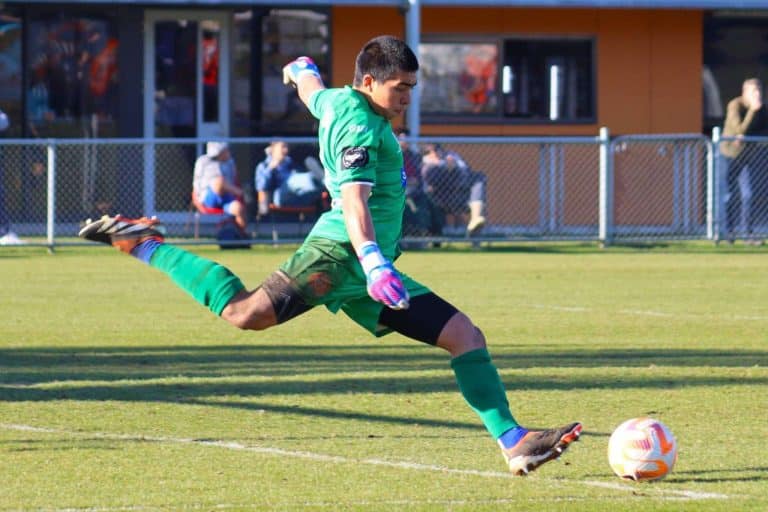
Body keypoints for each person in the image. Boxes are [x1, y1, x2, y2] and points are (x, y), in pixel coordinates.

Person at [79, 35, 581, 476]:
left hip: (365, 268)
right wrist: (374, 262)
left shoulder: (340, 100)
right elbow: (354, 201)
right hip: (340, 255)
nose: (406, 98)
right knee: (244, 314)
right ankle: (142, 242)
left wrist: (301, 70)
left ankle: (513, 440)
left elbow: (313, 93)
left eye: (411, 87)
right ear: (368, 81)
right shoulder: (359, 127)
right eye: (398, 88)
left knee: (463, 335)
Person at [720, 78, 768, 244]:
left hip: (748, 156)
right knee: (728, 194)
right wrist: (752, 111)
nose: (758, 95)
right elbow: (739, 129)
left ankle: (748, 234)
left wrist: (747, 136)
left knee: (748, 195)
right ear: (745, 92)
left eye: (759, 91)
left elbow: (763, 131)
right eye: (754, 92)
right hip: (730, 155)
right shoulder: (735, 105)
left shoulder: (762, 108)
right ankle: (728, 233)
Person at [421, 143, 488, 236]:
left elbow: (466, 172)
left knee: (479, 179)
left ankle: (475, 221)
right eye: (430, 152)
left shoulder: (452, 158)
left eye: (436, 150)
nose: (435, 153)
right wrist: (441, 165)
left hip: (460, 196)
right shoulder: (425, 165)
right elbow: (429, 184)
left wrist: (454, 166)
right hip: (438, 201)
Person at [254, 140, 324, 217]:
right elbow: (261, 186)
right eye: (283, 147)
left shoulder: (290, 163)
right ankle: (320, 179)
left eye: (287, 147)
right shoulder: (264, 166)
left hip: (298, 197)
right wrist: (270, 169)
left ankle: (322, 182)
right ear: (273, 149)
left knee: (317, 188)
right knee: (296, 181)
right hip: (280, 196)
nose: (286, 150)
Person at [192, 141, 247, 232]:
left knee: (238, 208)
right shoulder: (203, 161)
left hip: (226, 197)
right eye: (226, 151)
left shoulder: (230, 163)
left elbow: (233, 179)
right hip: (209, 197)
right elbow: (196, 182)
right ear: (219, 153)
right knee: (218, 181)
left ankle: (242, 236)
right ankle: (239, 192)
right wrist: (197, 200)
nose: (228, 153)